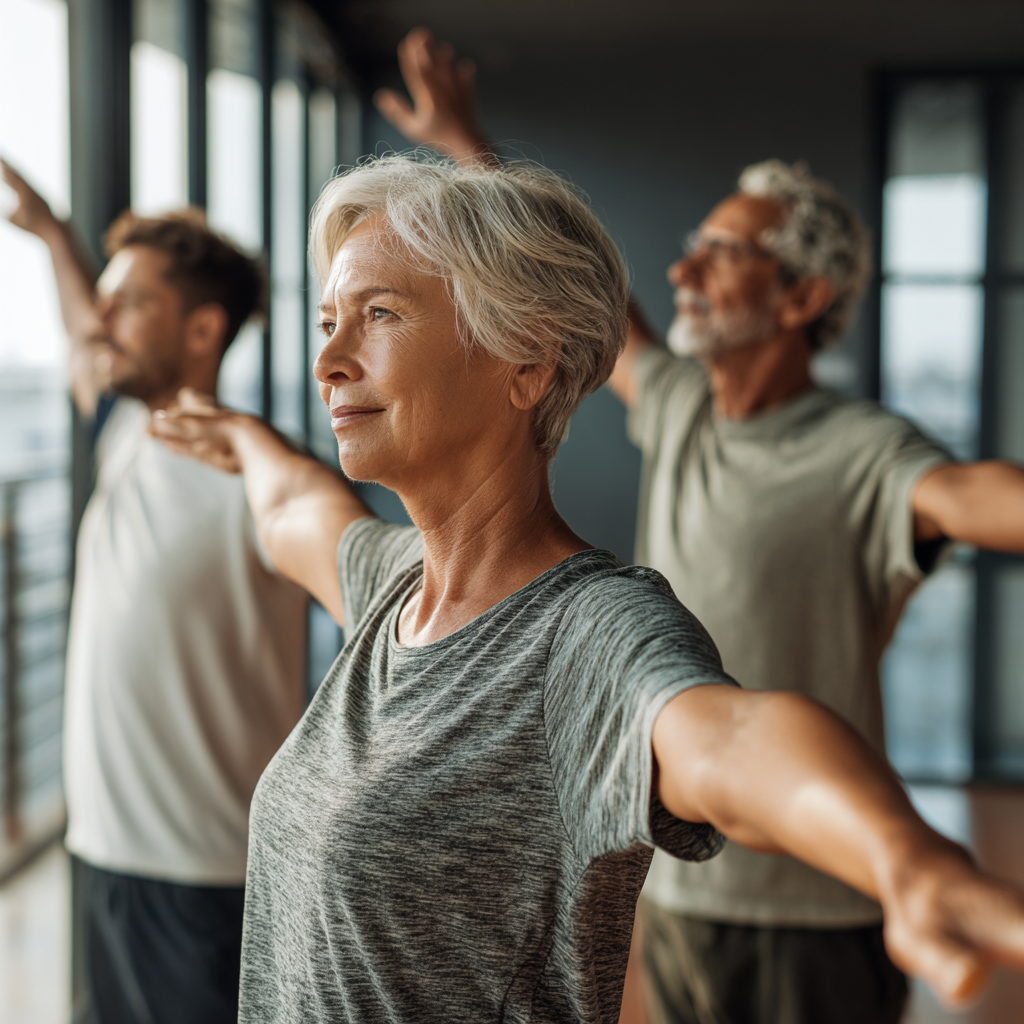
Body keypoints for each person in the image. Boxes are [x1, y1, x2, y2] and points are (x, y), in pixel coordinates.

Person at [150, 150, 1024, 1024]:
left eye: (379, 314)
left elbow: (730, 737)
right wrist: (243, 440)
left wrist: (908, 859)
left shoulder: (584, 635)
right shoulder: (390, 585)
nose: (329, 361)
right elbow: (294, 508)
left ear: (528, 362)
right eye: (328, 322)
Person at [370, 28, 1024, 1024]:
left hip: (817, 903)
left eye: (724, 254)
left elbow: (979, 497)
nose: (684, 270)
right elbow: (570, 273)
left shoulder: (863, 449)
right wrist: (467, 147)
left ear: (802, 296)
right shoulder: (678, 404)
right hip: (680, 878)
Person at [1, 161, 308, 1024]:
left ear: (203, 329)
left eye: (130, 303)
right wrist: (53, 235)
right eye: (105, 301)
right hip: (104, 853)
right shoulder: (128, 431)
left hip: (206, 878)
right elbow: (84, 337)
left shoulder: (264, 473)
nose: (102, 321)